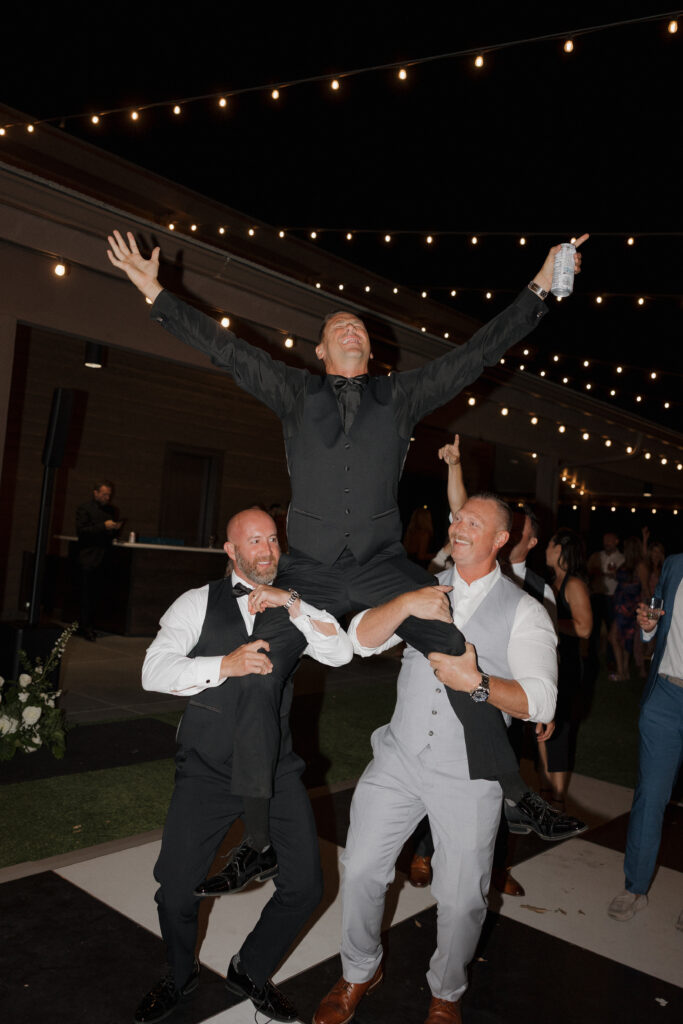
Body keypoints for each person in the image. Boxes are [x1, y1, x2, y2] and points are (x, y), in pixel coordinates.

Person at [106, 228, 588, 843]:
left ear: (371, 351)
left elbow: (476, 354)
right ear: (321, 350)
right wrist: (152, 290)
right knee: (257, 668)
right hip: (305, 569)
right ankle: (257, 840)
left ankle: (517, 795)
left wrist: (543, 285)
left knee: (451, 642)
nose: (352, 328)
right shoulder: (294, 391)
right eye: (339, 325)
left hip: (383, 564)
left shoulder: (401, 395)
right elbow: (225, 350)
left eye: (359, 325)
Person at [313, 494, 563, 1024]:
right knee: (359, 870)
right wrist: (404, 605)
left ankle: (446, 990)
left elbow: (542, 699)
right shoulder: (419, 583)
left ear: (501, 538)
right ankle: (359, 971)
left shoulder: (525, 611)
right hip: (399, 757)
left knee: (462, 899)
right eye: (457, 518)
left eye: (474, 522)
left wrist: (478, 684)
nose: (458, 526)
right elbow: (358, 639)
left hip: (469, 774)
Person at [134, 508, 353, 1024]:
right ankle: (179, 971)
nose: (268, 550)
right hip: (208, 768)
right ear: (231, 551)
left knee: (306, 887)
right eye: (254, 541)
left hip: (275, 770)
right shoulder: (196, 602)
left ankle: (249, 967)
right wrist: (223, 666)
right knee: (176, 889)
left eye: (273, 539)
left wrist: (294, 603)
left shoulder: (295, 602)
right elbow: (153, 670)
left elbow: (340, 651)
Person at [608, 553, 683, 930]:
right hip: (665, 697)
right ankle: (635, 888)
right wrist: (649, 627)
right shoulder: (675, 566)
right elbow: (656, 626)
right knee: (650, 797)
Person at [541, 528, 593, 807]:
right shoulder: (553, 581)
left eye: (549, 545)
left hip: (569, 666)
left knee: (558, 728)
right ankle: (546, 789)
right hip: (552, 662)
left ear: (560, 550)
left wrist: (548, 622)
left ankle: (557, 799)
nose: (545, 550)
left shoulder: (573, 584)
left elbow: (585, 628)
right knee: (542, 723)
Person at [74, 480, 122, 640]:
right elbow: (82, 532)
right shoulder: (84, 509)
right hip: (88, 557)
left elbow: (110, 536)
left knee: (98, 595)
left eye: (109, 494)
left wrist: (115, 529)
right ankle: (84, 627)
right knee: (86, 595)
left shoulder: (111, 510)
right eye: (104, 494)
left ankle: (93, 625)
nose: (107, 497)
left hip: (105, 558)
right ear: (95, 493)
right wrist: (103, 526)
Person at [609, 535, 649, 681]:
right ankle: (625, 672)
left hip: (629, 607)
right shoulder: (626, 564)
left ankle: (621, 672)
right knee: (624, 638)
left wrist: (647, 610)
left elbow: (645, 589)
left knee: (614, 637)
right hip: (620, 605)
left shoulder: (640, 566)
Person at [587, 531, 624, 675]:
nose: (607, 542)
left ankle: (611, 661)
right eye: (605, 540)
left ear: (616, 541)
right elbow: (588, 572)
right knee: (594, 629)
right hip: (597, 596)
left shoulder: (622, 558)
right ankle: (592, 659)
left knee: (611, 630)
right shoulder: (597, 556)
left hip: (613, 597)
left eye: (610, 540)